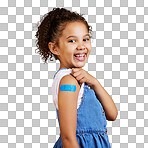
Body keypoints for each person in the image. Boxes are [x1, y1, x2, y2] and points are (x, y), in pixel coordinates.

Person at [35, 7, 118, 148]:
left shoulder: (83, 80)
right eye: (72, 41)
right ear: (55, 48)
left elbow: (112, 114)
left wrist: (95, 83)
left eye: (85, 39)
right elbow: (68, 138)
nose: (81, 46)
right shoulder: (68, 81)